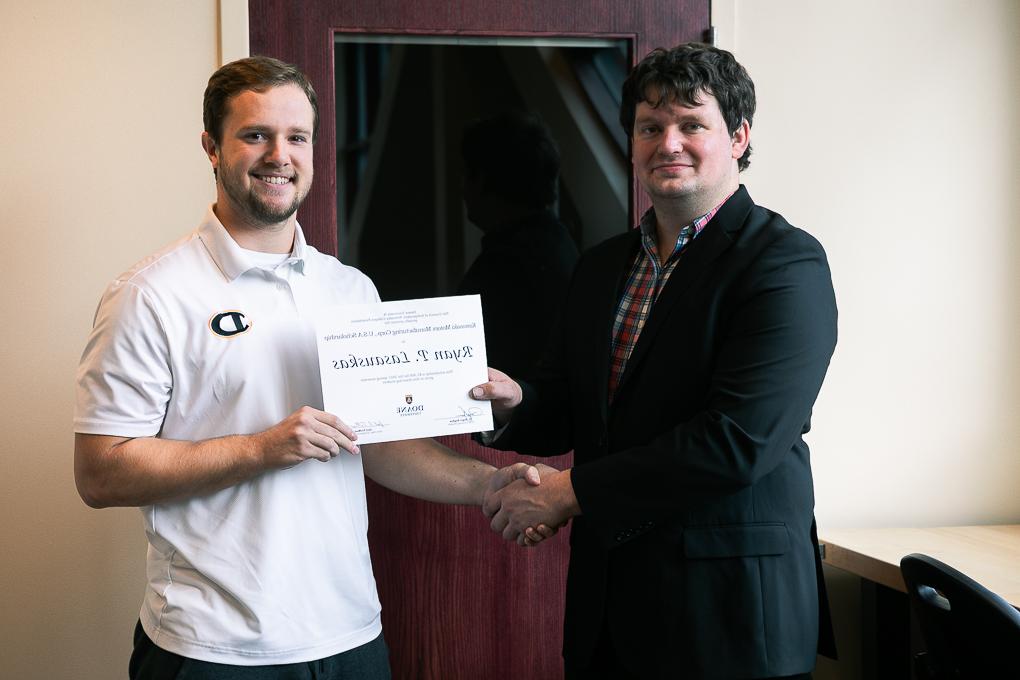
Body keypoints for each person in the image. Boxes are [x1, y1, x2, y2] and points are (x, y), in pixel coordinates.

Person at [73, 56, 540, 680]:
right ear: (212, 147)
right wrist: (263, 448)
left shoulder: (349, 290)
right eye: (255, 134)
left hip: (350, 638)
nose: (279, 155)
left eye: (297, 137)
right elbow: (100, 473)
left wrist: (488, 485)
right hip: (213, 648)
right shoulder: (150, 294)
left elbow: (375, 446)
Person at [471, 43, 838, 679]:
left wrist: (568, 492)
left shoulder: (785, 264)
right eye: (650, 127)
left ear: (738, 135)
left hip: (733, 621)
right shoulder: (601, 266)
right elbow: (571, 404)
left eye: (691, 124)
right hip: (610, 610)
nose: (668, 142)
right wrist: (514, 404)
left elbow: (737, 442)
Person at [456, 111, 579, 378]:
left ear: (484, 180)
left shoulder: (505, 265)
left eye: (467, 173)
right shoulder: (556, 242)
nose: (462, 188)